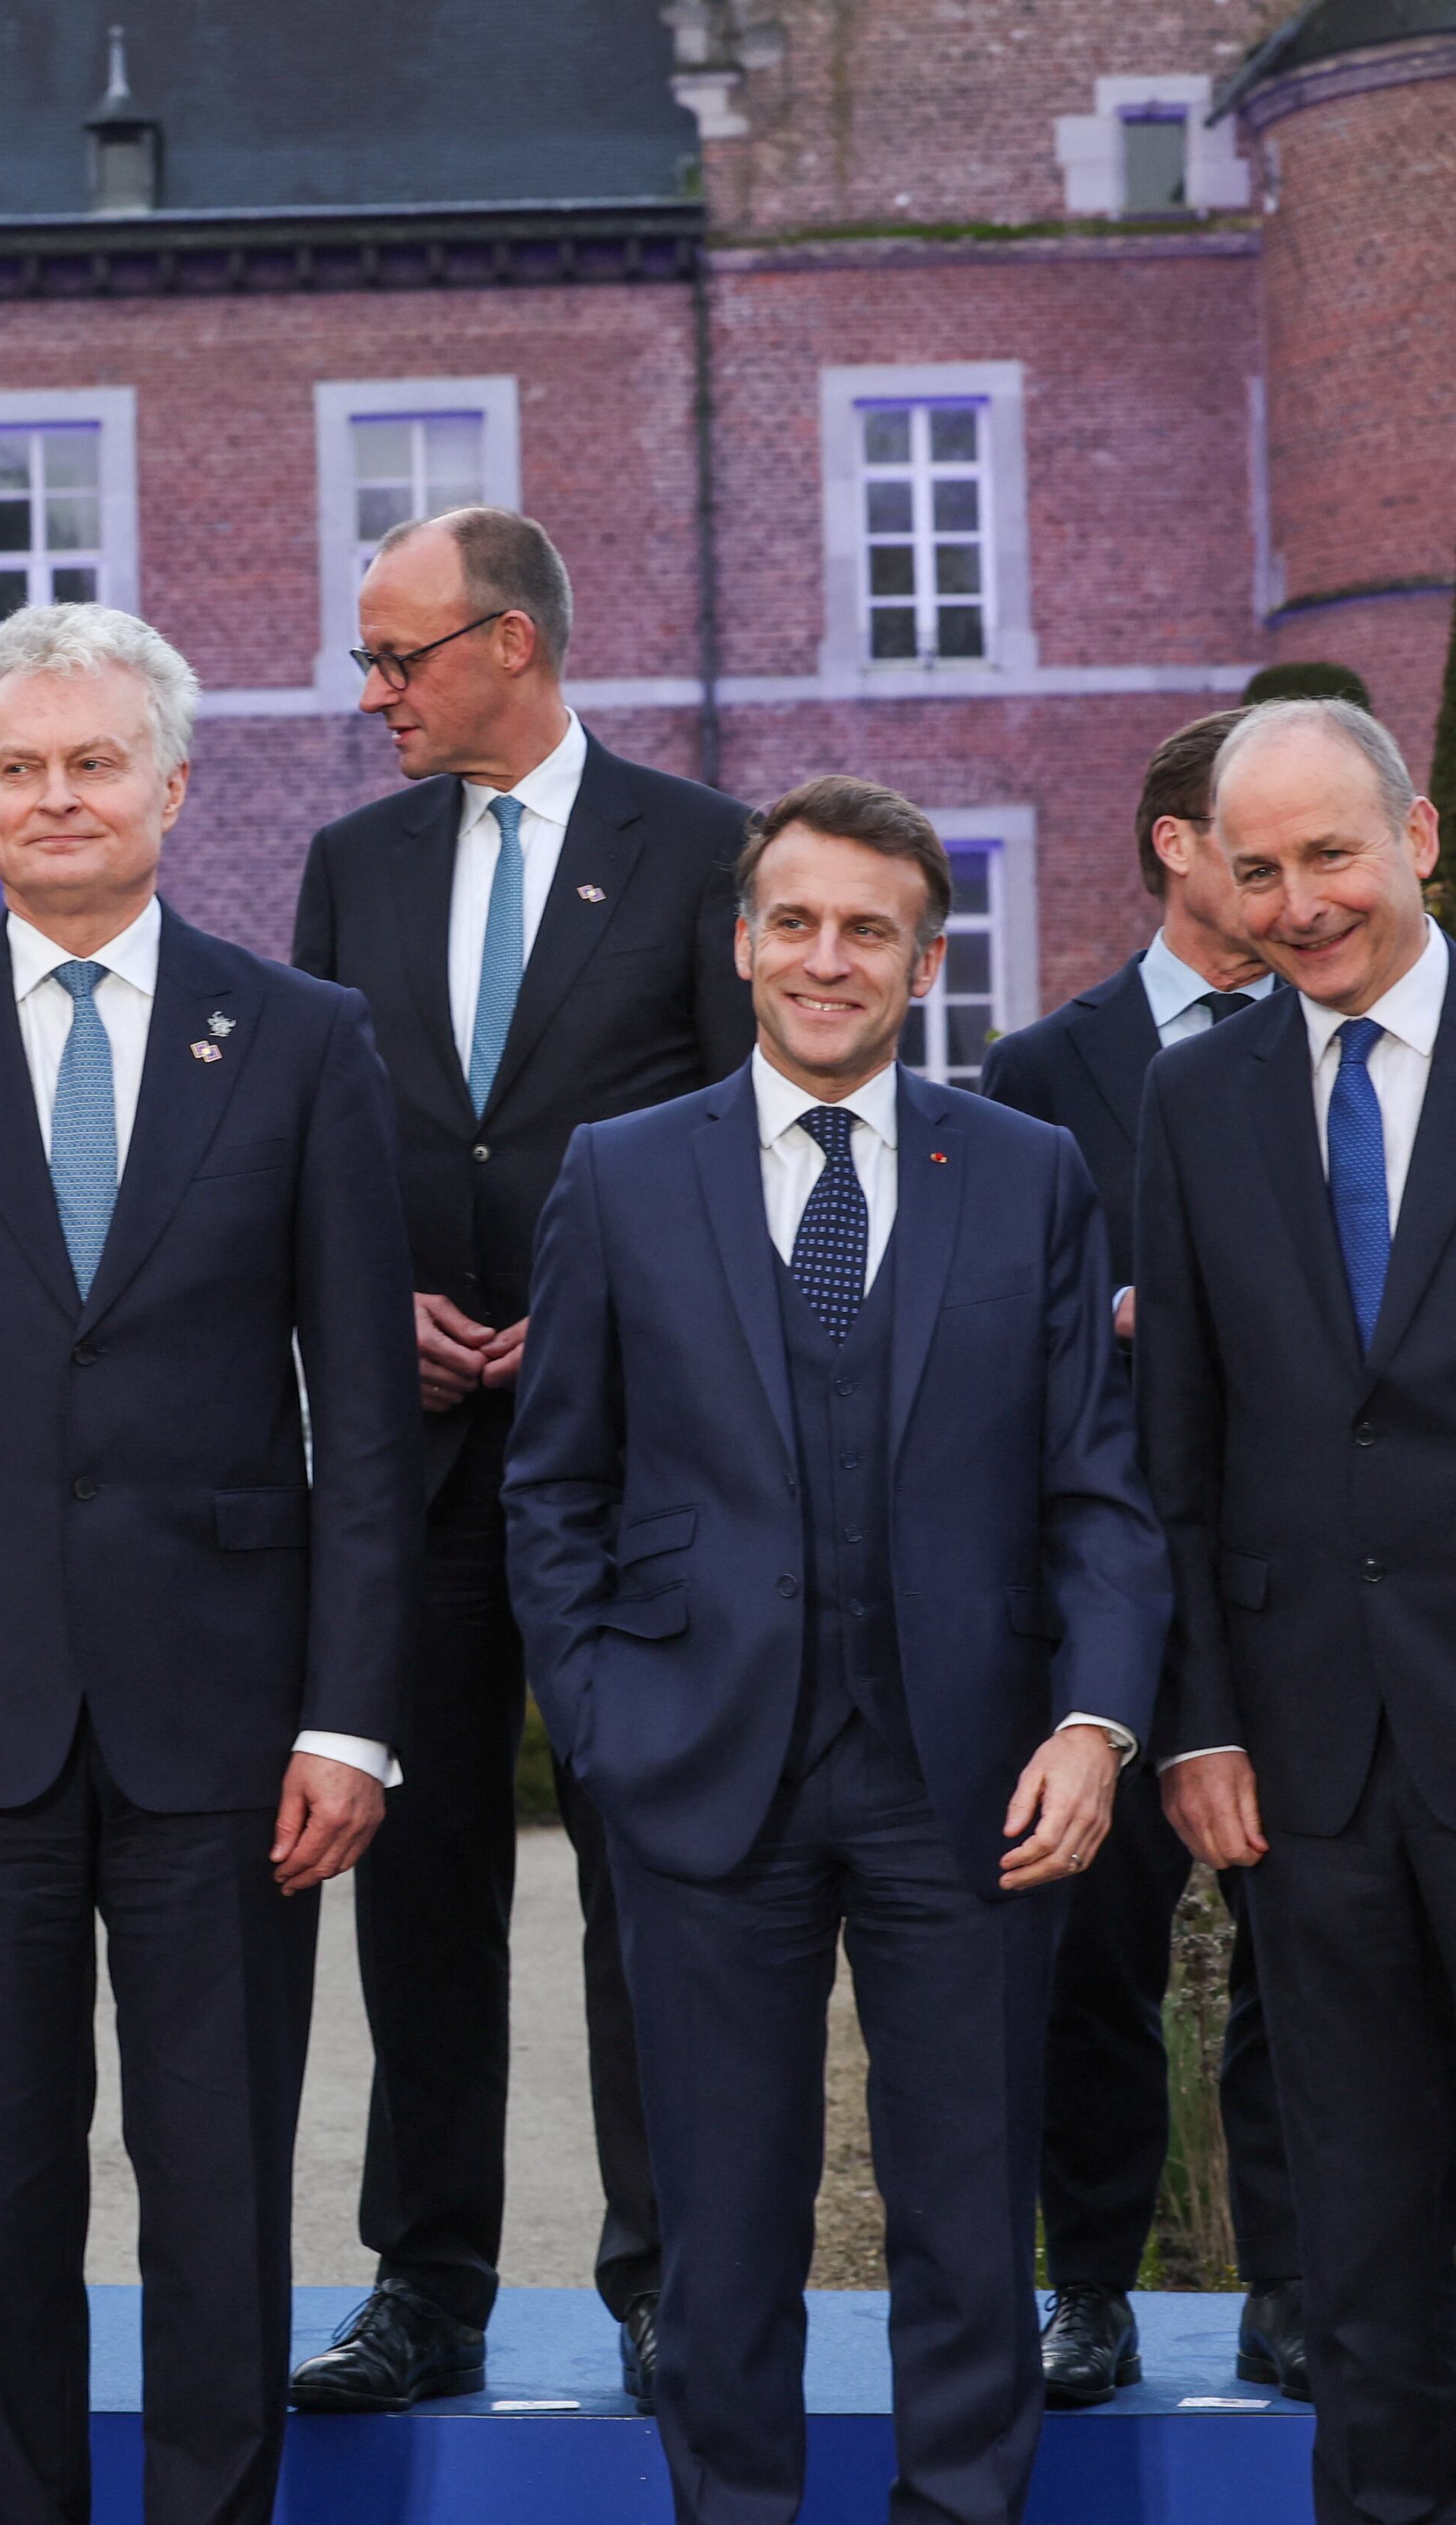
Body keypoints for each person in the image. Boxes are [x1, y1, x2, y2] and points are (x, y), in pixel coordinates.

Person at [0, 603, 423, 2524]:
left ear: (171, 789)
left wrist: (353, 1718)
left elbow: (366, 1420)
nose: (56, 799)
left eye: (93, 764)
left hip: (231, 1729)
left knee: (218, 2195)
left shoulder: (302, 1038)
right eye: (20, 769)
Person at [506, 775, 1166, 2525]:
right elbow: (553, 1479)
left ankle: (960, 2508)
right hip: (696, 1765)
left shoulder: (1024, 1173)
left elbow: (1099, 1488)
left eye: (866, 928)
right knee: (723, 2228)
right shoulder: (619, 1173)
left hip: (975, 1775)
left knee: (966, 2213)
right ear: (741, 941)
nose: (824, 957)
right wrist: (599, 1718)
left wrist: (1094, 1721)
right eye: (792, 921)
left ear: (921, 959)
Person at [285, 508, 747, 2411]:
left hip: (633, 1463)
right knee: (422, 1879)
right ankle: (427, 2286)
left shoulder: (705, 851)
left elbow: (736, 1132)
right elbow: (322, 1143)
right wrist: (363, 1292)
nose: (370, 691)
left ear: (509, 643)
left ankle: (667, 2281)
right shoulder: (350, 863)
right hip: (415, 1456)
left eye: (393, 656)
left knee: (650, 1877)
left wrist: (611, 1316)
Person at [1139, 695, 1456, 2523]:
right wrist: (1199, 1712)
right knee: (1357, 2212)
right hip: (1308, 1758)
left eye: (1328, 853)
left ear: (1416, 837)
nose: (1296, 902)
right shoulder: (1200, 1092)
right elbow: (1173, 1431)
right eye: (1254, 869)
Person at [975, 707, 1303, 2406]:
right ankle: (1086, 2287)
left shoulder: (1345, 1041)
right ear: (1178, 845)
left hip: (1297, 1581)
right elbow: (997, 1327)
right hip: (1098, 1582)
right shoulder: (1040, 1067)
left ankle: (1293, 2289)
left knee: (1298, 1952)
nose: (1288, 881)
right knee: (1085, 1966)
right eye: (1256, 843)